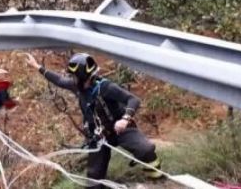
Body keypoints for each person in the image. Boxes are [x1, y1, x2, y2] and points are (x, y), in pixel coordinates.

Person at [25, 53, 163, 186]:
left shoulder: (106, 87)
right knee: (93, 179)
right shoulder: (76, 86)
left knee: (146, 149)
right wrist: (37, 67)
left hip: (121, 129)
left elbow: (133, 99)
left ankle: (158, 179)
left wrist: (125, 119)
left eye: (74, 76)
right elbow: (59, 80)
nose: (71, 79)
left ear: (83, 77)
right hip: (99, 137)